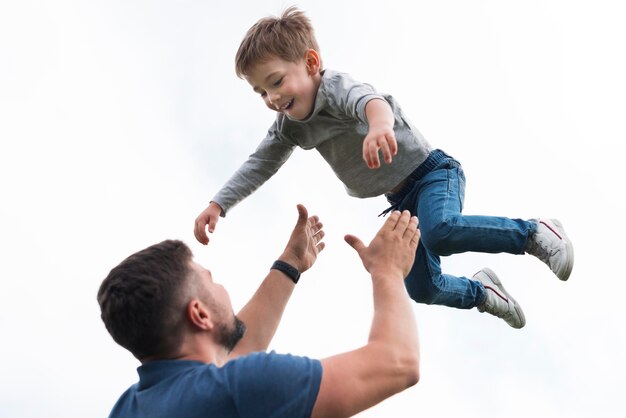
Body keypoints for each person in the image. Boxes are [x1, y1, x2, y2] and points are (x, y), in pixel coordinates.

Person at [193, 7, 574, 329]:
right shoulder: (289, 127)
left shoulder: (334, 88)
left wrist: (379, 126)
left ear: (310, 63)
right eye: (261, 92)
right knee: (422, 288)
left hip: (432, 174)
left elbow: (372, 101)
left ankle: (534, 234)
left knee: (440, 232)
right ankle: (481, 292)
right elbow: (259, 164)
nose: (272, 98)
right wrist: (219, 204)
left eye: (275, 82)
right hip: (401, 202)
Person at [99, 205, 421, 417]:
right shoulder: (244, 386)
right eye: (211, 281)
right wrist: (387, 271)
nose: (223, 289)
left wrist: (289, 265)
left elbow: (231, 361)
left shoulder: (128, 409)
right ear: (199, 314)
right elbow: (396, 363)